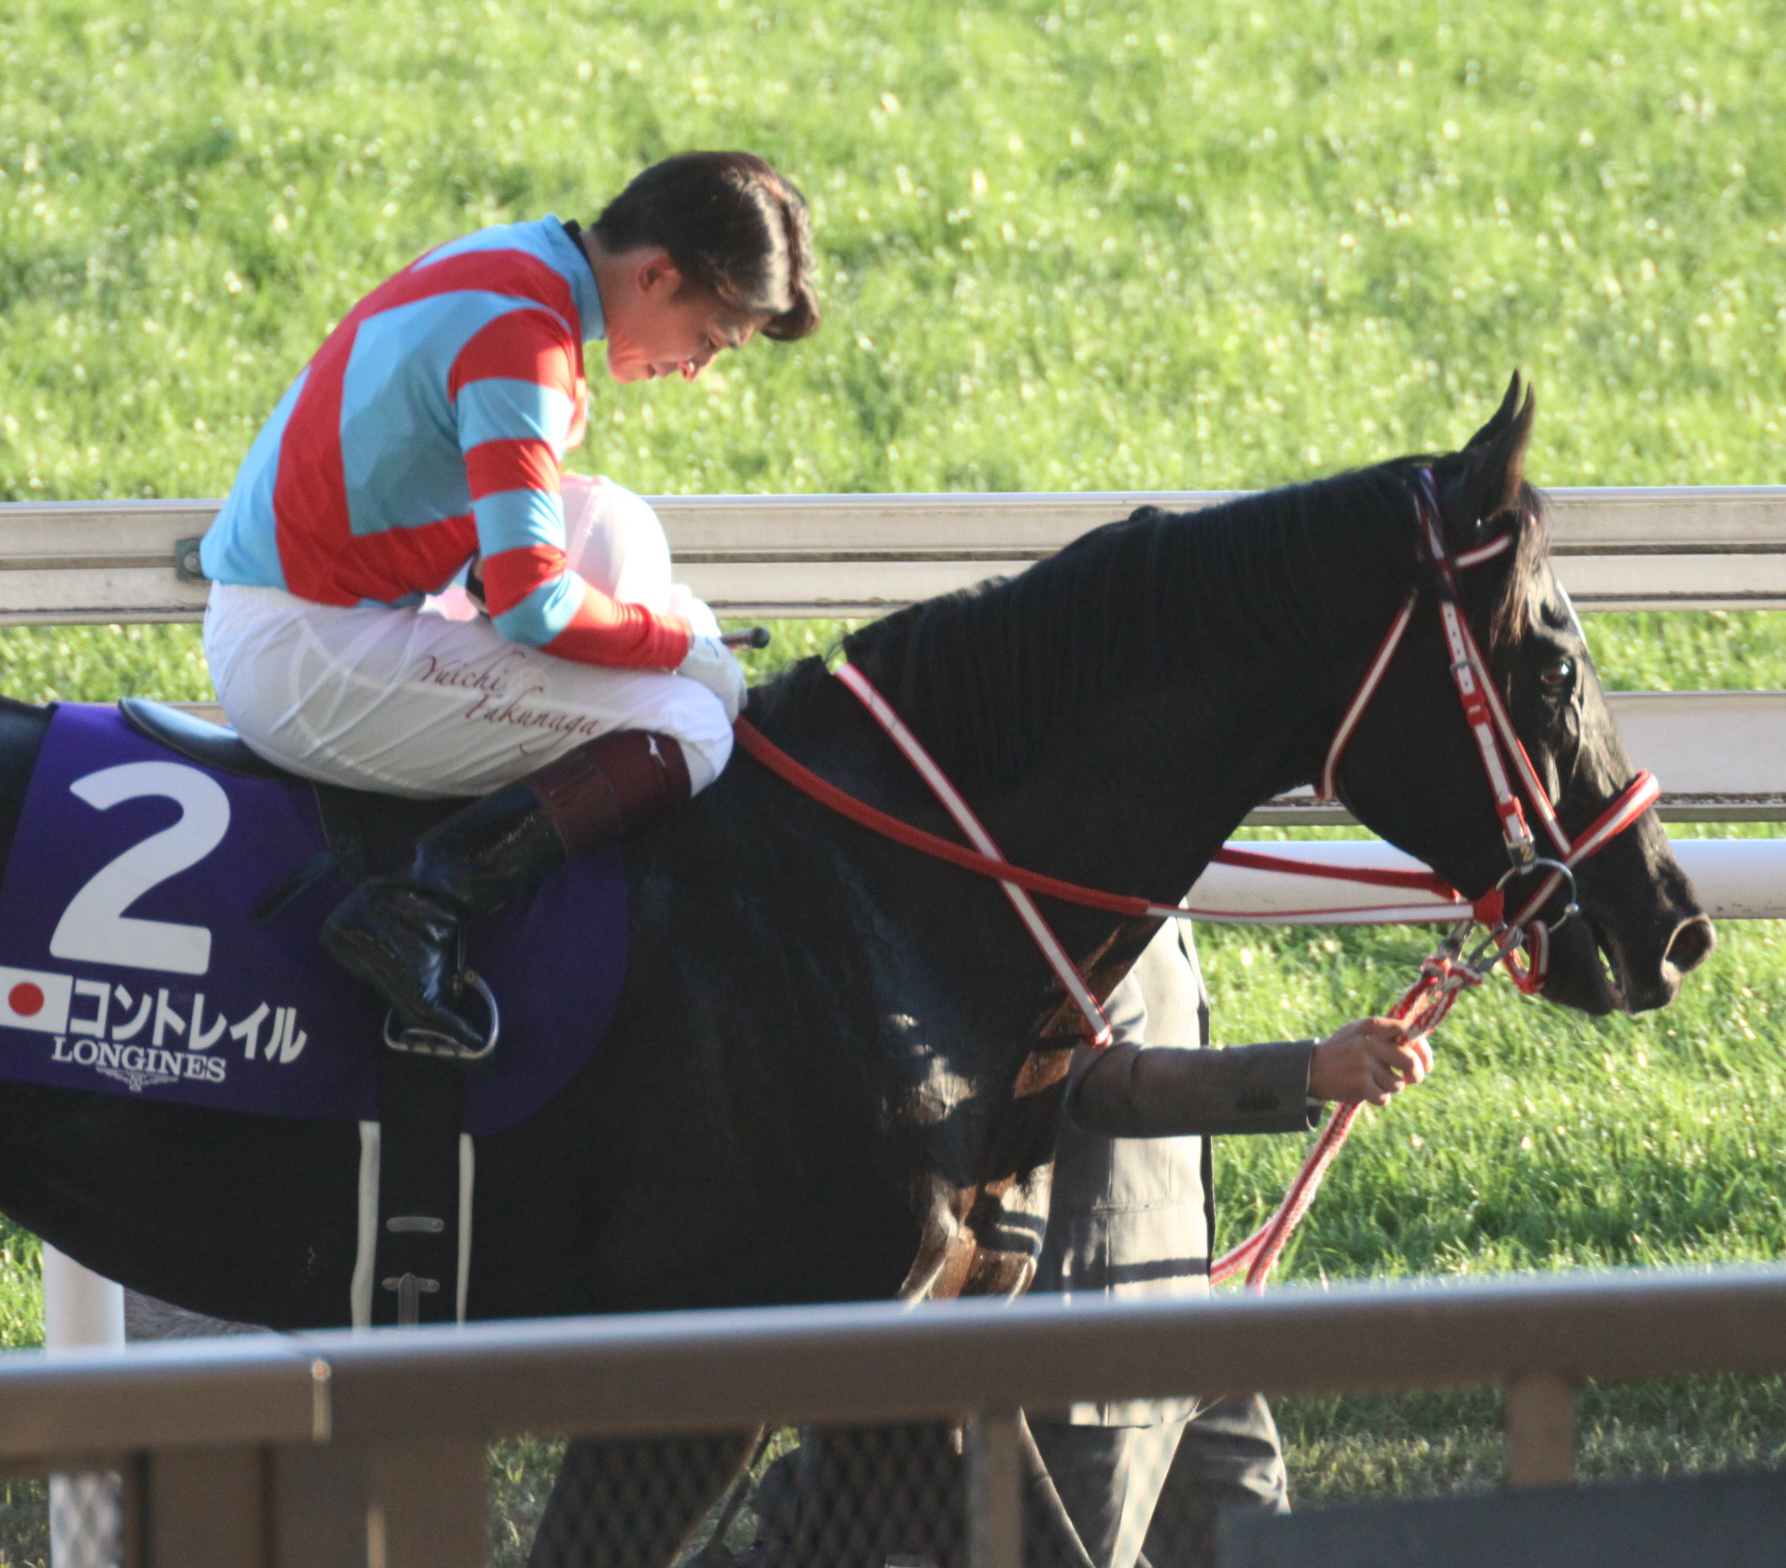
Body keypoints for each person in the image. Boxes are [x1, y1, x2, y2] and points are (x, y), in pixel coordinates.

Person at [195, 150, 818, 1060]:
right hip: (302, 657)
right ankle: (418, 907)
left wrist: (657, 641)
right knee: (693, 728)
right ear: (657, 275)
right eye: (713, 338)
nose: (696, 368)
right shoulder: (524, 337)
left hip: (307, 608)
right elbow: (531, 608)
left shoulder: (525, 261)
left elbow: (501, 565)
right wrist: (676, 644)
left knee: (616, 523)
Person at [739, 924, 1427, 1568]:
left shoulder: (1160, 873)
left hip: (1179, 1314)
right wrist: (1306, 1071)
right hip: (1091, 1334)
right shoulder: (1079, 877)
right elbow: (1092, 1080)